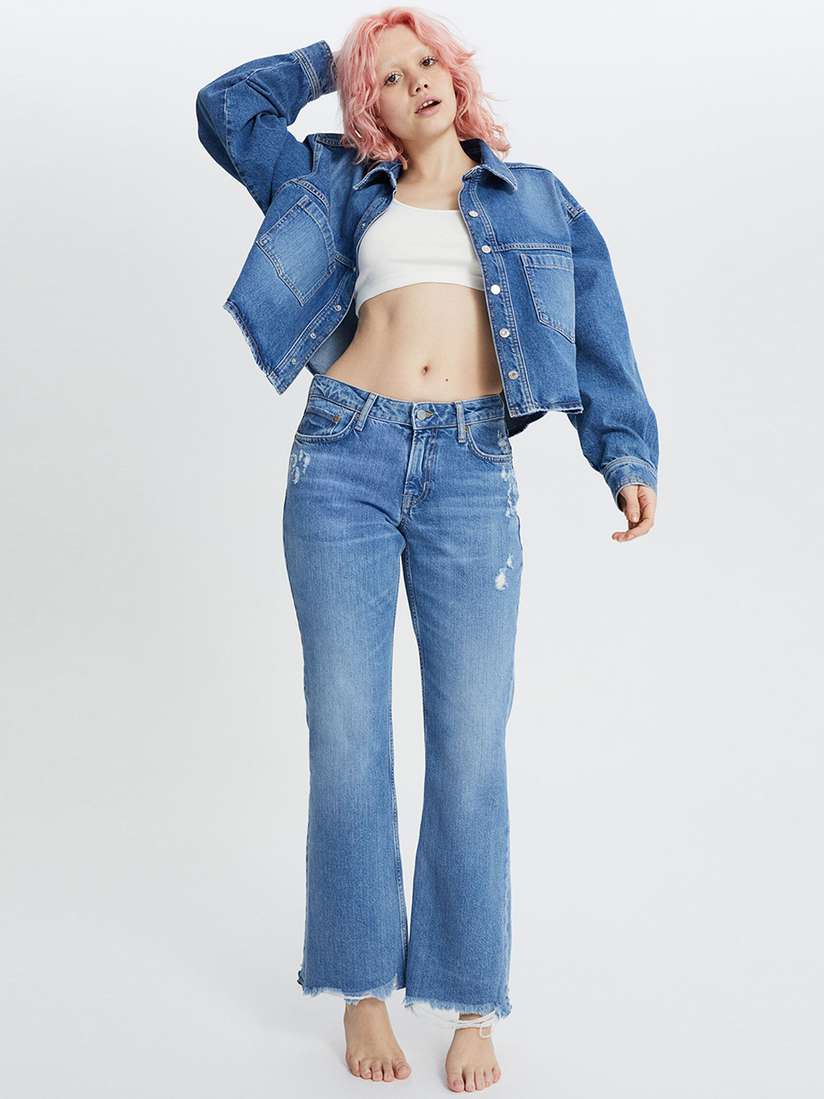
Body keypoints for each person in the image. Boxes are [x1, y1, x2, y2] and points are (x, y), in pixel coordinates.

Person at [195, 6, 659, 1091]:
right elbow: (225, 110)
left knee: (470, 741)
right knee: (348, 734)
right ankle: (361, 986)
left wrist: (623, 450)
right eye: (391, 77)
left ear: (455, 72)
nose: (417, 82)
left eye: (425, 61)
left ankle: (467, 999)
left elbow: (598, 327)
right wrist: (336, 56)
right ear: (372, 107)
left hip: (469, 473)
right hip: (342, 459)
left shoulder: (536, 197)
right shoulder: (334, 183)